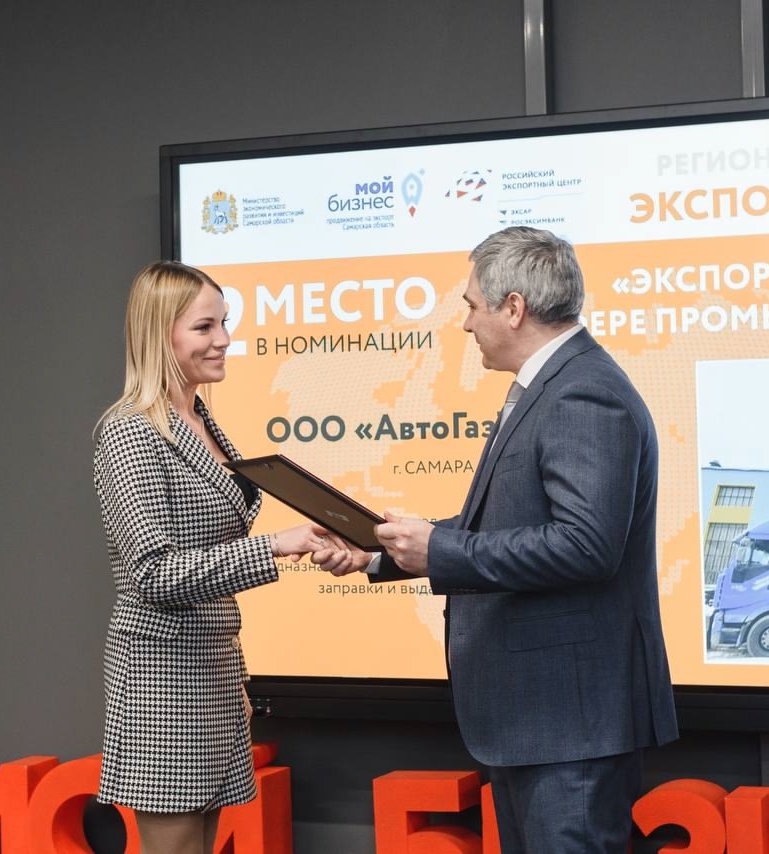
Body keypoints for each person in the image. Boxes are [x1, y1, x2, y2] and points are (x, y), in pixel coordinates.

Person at [315, 227, 679, 852]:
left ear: (514, 308)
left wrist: (439, 551)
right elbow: (507, 526)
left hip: (568, 724)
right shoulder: (554, 383)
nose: (465, 324)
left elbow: (586, 545)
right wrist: (380, 552)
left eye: (471, 305)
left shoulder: (583, 391)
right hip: (542, 722)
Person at [93, 260, 330, 854]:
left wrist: (235, 679)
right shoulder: (130, 432)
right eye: (204, 327)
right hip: (162, 682)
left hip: (214, 673)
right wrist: (274, 545)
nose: (223, 339)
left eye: (224, 323)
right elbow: (152, 573)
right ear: (159, 334)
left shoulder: (200, 420)